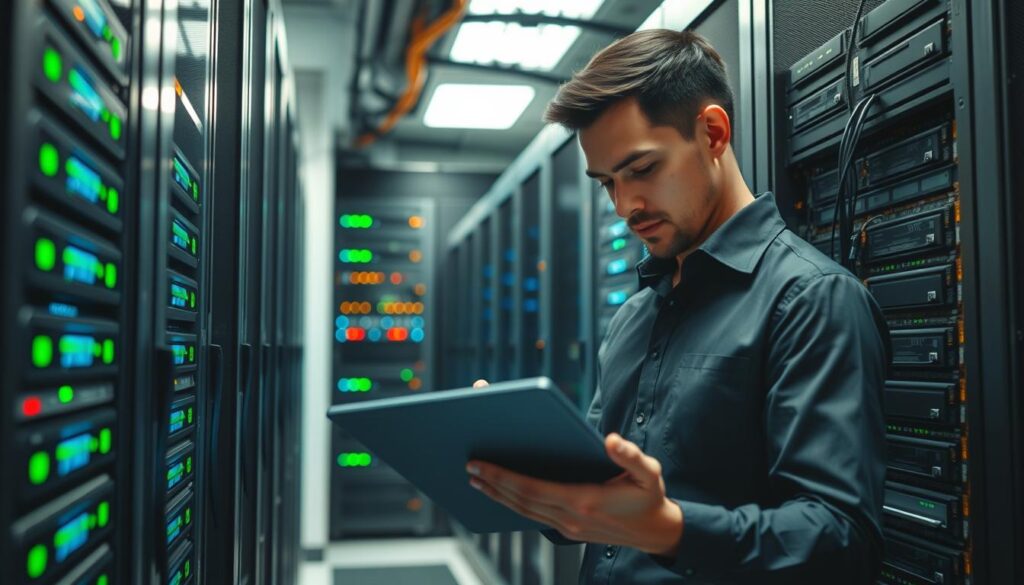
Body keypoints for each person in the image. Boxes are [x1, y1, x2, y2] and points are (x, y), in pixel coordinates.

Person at [465, 29, 889, 584]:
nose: (625, 206)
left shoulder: (811, 300)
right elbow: (599, 498)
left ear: (712, 133)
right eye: (607, 184)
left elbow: (841, 539)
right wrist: (530, 468)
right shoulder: (634, 318)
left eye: (641, 170)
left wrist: (670, 528)